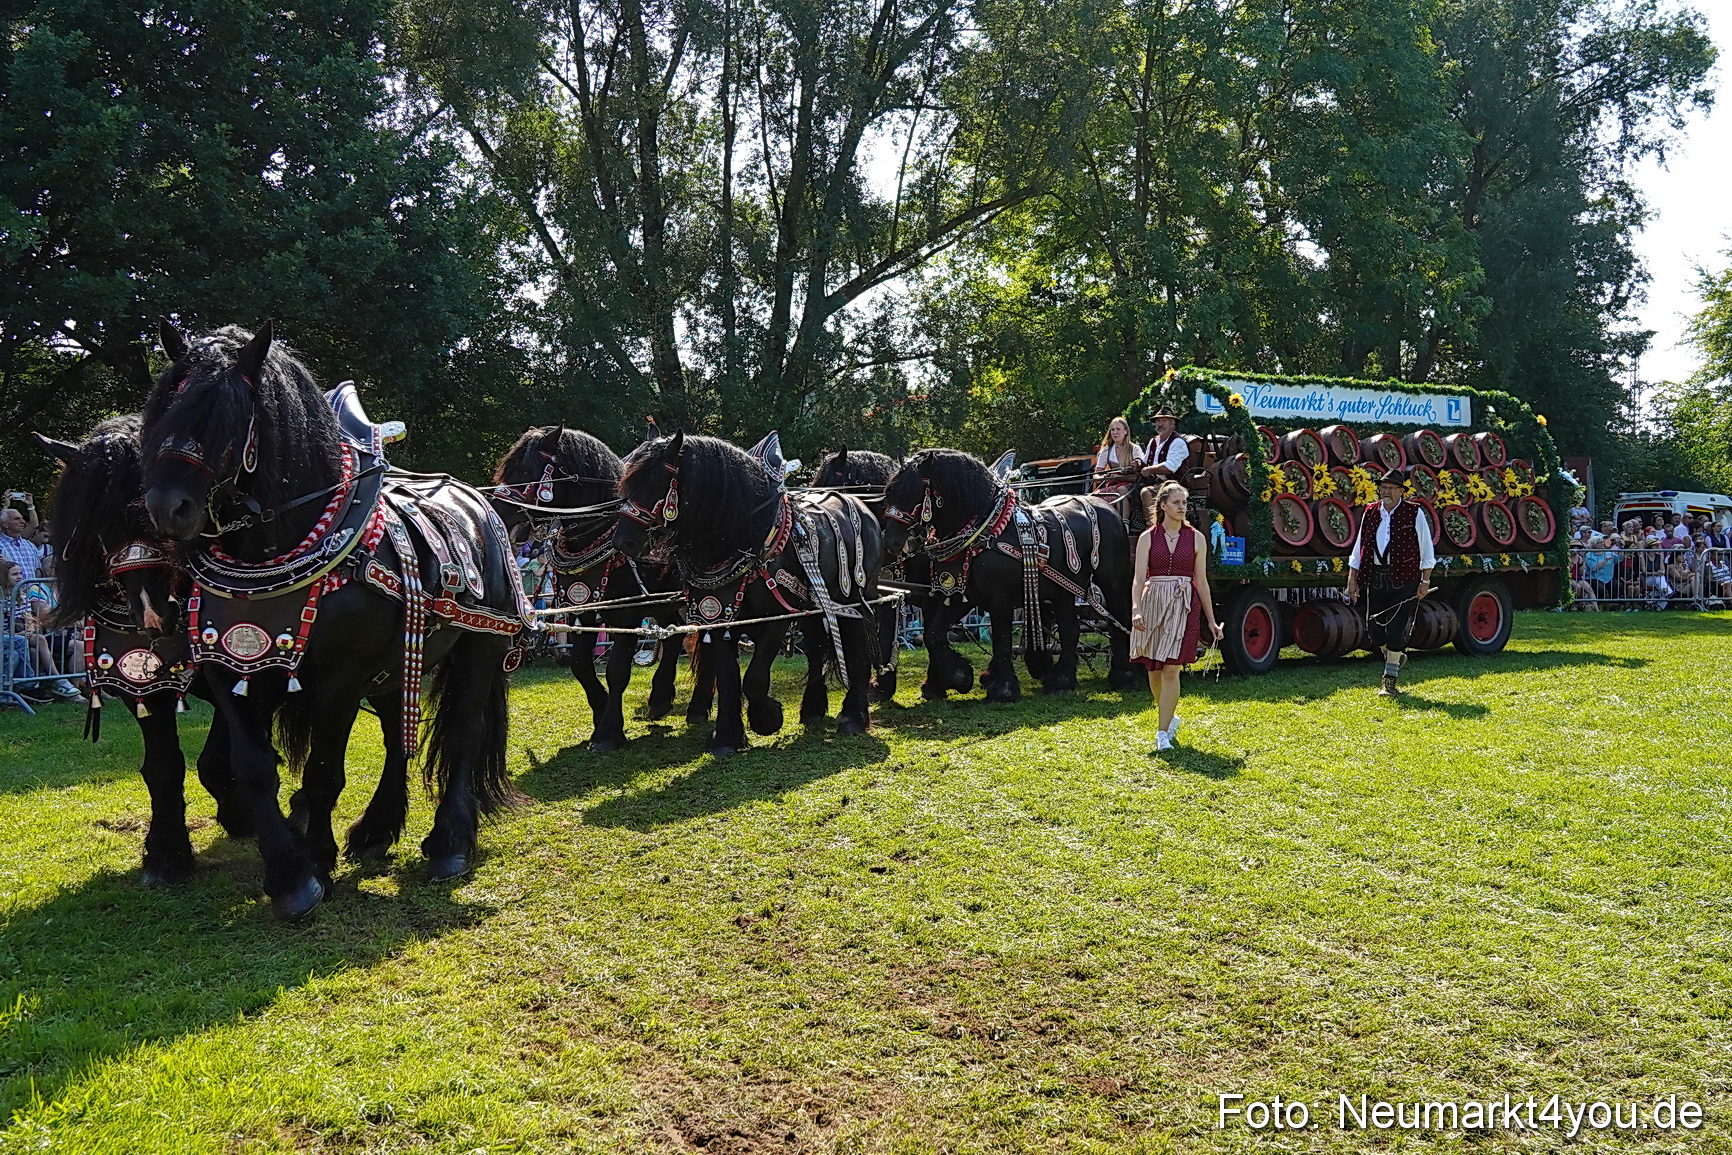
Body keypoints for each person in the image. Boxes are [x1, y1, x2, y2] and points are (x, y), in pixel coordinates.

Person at [1130, 482, 1221, 752]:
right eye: (1177, 502)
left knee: (1171, 668)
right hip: (1153, 602)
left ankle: (1162, 733)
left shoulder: (1196, 538)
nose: (1183, 507)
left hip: (1184, 604)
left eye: (1185, 502)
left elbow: (1202, 582)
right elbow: (1137, 579)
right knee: (1154, 669)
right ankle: (1168, 714)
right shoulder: (1148, 537)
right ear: (1163, 506)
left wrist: (1211, 620)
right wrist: (1136, 609)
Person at [1345, 468, 1435, 696]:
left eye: (1390, 488)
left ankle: (1389, 681)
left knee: (1396, 630)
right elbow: (1359, 548)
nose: (1385, 492)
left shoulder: (1414, 513)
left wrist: (1425, 581)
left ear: (1401, 491)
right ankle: (1395, 656)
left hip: (1404, 579)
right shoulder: (1370, 512)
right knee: (1374, 630)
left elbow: (1426, 550)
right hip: (1375, 577)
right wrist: (1351, 580)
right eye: (1382, 488)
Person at [1092, 416, 1142, 493]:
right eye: (1112, 430)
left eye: (1118, 429)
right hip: (1113, 484)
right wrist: (1103, 477)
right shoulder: (1106, 450)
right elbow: (1096, 475)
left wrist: (1136, 465)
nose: (1115, 432)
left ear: (1126, 431)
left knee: (1120, 490)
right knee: (1096, 496)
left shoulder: (1134, 449)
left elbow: (1140, 474)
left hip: (1132, 485)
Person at [1139, 410, 1189, 482]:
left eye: (1164, 421)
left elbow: (1170, 468)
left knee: (1146, 492)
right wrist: (1137, 464)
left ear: (1173, 423)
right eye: (1158, 421)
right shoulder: (1153, 441)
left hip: (1174, 485)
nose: (1160, 424)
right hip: (1151, 482)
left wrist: (1149, 470)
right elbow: (1145, 461)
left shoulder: (1178, 442)